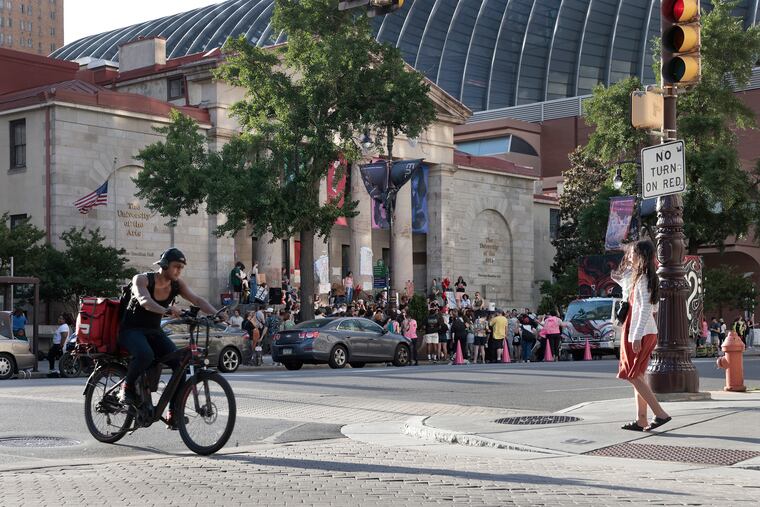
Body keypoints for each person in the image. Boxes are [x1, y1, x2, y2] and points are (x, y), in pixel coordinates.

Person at [119, 248, 222, 429]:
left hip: (153, 331)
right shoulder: (142, 279)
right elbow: (145, 301)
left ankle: (174, 413)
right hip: (131, 330)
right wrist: (167, 310)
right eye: (176, 266)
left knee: (180, 364)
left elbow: (197, 300)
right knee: (145, 355)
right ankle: (126, 388)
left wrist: (218, 314)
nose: (178, 271)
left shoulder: (176, 285)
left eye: (181, 268)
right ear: (165, 265)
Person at [612, 240, 671, 432]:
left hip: (639, 331)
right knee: (637, 375)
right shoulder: (645, 277)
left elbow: (646, 308)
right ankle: (641, 419)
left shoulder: (644, 278)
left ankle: (659, 413)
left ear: (641, 256)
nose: (629, 257)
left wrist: (635, 335)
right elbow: (652, 307)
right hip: (643, 330)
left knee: (633, 375)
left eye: (632, 254)